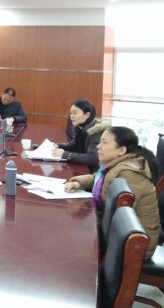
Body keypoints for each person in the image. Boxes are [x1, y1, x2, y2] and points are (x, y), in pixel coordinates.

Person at [65, 126, 160, 260]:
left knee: (71, 238)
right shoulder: (119, 164)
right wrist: (78, 183)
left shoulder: (129, 173)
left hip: (136, 245)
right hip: (123, 235)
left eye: (104, 143)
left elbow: (120, 218)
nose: (98, 146)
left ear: (121, 150)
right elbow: (100, 178)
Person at [51, 99, 109, 173]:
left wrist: (64, 154)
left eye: (75, 113)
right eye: (71, 113)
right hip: (84, 170)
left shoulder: (96, 132)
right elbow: (73, 146)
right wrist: (58, 146)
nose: (71, 116)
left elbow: (93, 158)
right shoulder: (80, 128)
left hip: (95, 173)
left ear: (87, 115)